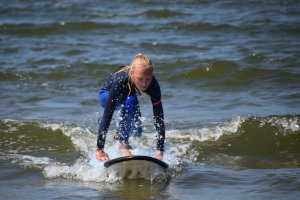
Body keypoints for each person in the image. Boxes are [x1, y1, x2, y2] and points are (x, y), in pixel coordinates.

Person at [96, 53, 165, 162]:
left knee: (137, 131)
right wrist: (99, 148)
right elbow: (107, 115)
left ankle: (120, 136)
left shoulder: (154, 85)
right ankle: (122, 145)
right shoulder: (121, 80)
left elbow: (159, 118)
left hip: (129, 98)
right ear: (132, 73)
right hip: (106, 95)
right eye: (140, 79)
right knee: (132, 100)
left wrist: (160, 151)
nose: (144, 84)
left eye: (148, 79)